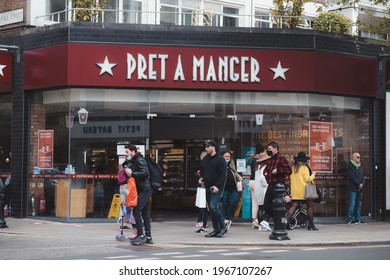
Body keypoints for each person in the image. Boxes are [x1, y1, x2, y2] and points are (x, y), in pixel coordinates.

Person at [124, 144, 153, 245]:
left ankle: (140, 235)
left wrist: (132, 174)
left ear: (133, 151)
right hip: (142, 189)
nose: (126, 154)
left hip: (145, 189)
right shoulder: (134, 160)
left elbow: (145, 173)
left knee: (136, 210)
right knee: (144, 212)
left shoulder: (139, 160)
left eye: (127, 152)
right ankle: (148, 237)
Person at [199, 139, 227, 238]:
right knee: (211, 209)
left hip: (217, 187)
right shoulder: (205, 159)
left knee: (213, 206)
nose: (205, 148)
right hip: (207, 186)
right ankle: (216, 229)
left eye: (207, 146)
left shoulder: (220, 159)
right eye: (205, 146)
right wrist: (201, 178)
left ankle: (223, 226)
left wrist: (218, 186)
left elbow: (223, 174)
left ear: (213, 147)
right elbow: (201, 171)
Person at [263, 141, 292, 229]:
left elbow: (289, 170)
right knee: (266, 206)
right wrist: (265, 173)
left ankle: (281, 222)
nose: (268, 151)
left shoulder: (281, 158)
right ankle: (279, 220)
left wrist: (278, 170)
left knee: (278, 205)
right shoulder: (270, 159)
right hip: (270, 185)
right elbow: (266, 169)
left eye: (270, 149)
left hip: (278, 186)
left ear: (275, 149)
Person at [286, 151, 318, 231]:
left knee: (294, 206)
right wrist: (313, 174)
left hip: (295, 191)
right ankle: (311, 224)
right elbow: (307, 179)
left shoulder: (293, 168)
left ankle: (287, 223)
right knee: (310, 206)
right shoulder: (304, 168)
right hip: (304, 191)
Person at [220, 150, 242, 231]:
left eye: (228, 156)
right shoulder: (221, 164)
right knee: (224, 203)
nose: (227, 158)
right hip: (224, 188)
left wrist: (238, 176)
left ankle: (228, 218)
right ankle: (225, 219)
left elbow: (234, 171)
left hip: (233, 188)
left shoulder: (231, 163)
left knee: (234, 202)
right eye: (225, 156)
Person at [252, 151, 271, 231]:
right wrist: (268, 184)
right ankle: (263, 224)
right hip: (263, 190)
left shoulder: (258, 167)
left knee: (260, 208)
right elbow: (263, 179)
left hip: (258, 190)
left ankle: (261, 224)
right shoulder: (264, 168)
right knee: (265, 208)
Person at [248, 143, 265, 229]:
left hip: (251, 182)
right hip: (256, 182)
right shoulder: (259, 160)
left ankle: (254, 220)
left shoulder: (252, 159)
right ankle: (256, 220)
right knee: (258, 203)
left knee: (254, 202)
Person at [347, 152, 366, 224]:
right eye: (357, 157)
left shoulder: (360, 166)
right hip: (353, 188)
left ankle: (358, 218)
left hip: (360, 188)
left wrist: (362, 183)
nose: (359, 158)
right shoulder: (350, 166)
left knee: (359, 204)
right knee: (352, 203)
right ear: (353, 158)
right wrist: (358, 183)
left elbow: (363, 176)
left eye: (359, 157)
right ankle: (350, 219)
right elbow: (351, 177)